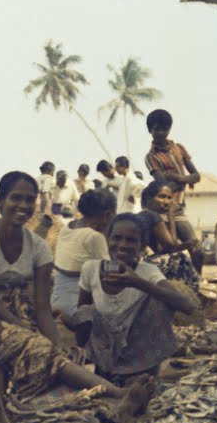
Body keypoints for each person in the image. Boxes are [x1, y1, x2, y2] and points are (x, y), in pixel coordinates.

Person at [0, 171, 152, 405]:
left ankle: (99, 398)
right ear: (1, 200)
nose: (23, 205)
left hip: (23, 315)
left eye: (29, 200)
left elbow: (43, 308)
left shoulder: (38, 247)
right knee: (37, 348)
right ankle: (117, 393)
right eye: (16, 198)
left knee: (55, 352)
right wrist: (30, 334)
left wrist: (57, 342)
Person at [72, 214, 198, 381]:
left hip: (139, 349)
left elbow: (187, 306)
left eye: (131, 240)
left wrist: (137, 282)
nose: (122, 245)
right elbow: (81, 313)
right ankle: (102, 369)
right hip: (105, 348)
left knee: (159, 299)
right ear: (107, 240)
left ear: (142, 246)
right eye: (117, 238)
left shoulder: (147, 272)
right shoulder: (91, 268)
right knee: (83, 312)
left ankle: (146, 371)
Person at [143, 109, 204, 273]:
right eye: (156, 129)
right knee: (167, 250)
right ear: (150, 130)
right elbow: (162, 184)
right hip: (160, 209)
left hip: (177, 208)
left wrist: (175, 178)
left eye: (165, 128)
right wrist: (184, 179)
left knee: (197, 250)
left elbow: (196, 175)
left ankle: (197, 285)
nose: (161, 133)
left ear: (169, 129)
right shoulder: (150, 157)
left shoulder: (179, 148)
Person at [51, 189, 116, 318]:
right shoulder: (94, 237)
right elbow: (110, 271)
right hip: (77, 306)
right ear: (107, 214)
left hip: (57, 299)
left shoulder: (68, 226)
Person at [136, 180, 201, 291]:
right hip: (137, 266)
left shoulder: (149, 215)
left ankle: (186, 292)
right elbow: (172, 247)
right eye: (161, 197)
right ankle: (193, 293)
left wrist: (187, 244)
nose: (166, 202)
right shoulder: (152, 217)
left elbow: (162, 249)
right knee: (179, 258)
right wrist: (171, 214)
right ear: (149, 199)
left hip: (138, 264)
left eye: (169, 198)